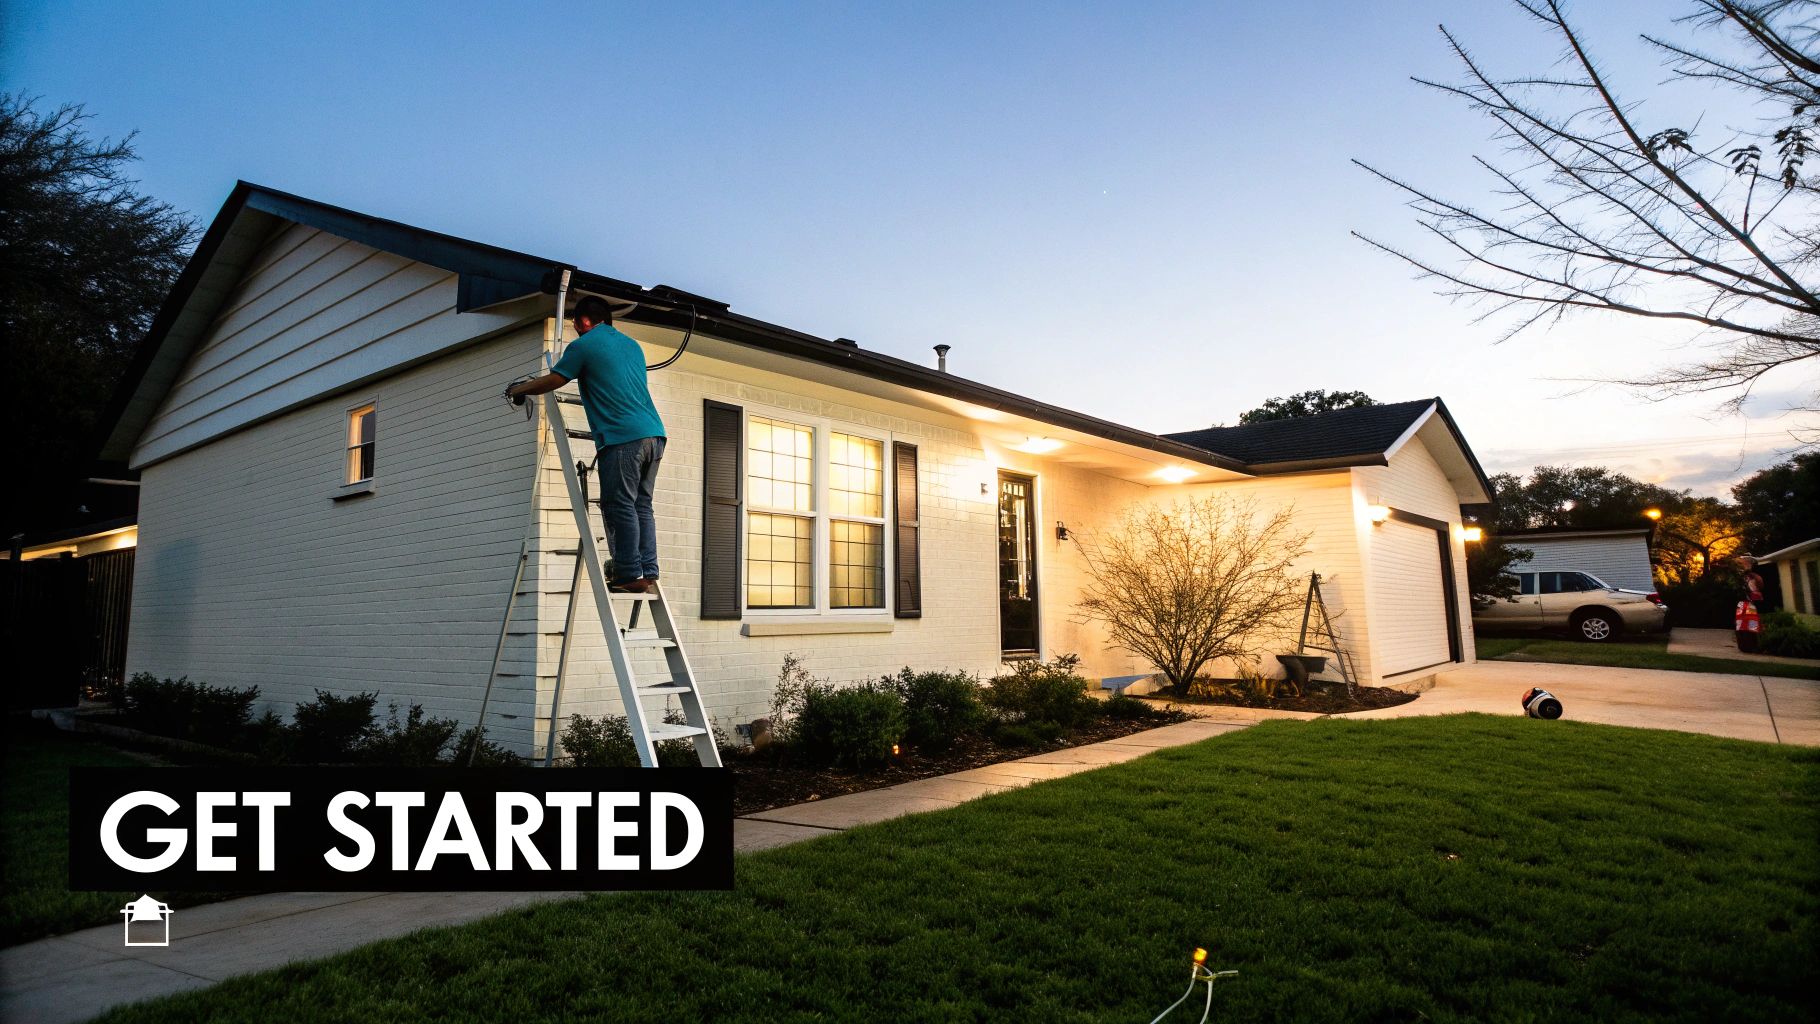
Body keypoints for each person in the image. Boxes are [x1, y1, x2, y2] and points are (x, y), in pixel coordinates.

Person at [506, 296, 666, 593]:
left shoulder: (583, 345)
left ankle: (630, 574)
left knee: (618, 504)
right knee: (642, 504)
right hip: (654, 435)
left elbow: (555, 379)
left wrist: (520, 388)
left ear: (583, 322)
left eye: (576, 324)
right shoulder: (633, 346)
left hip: (623, 438)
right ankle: (648, 571)